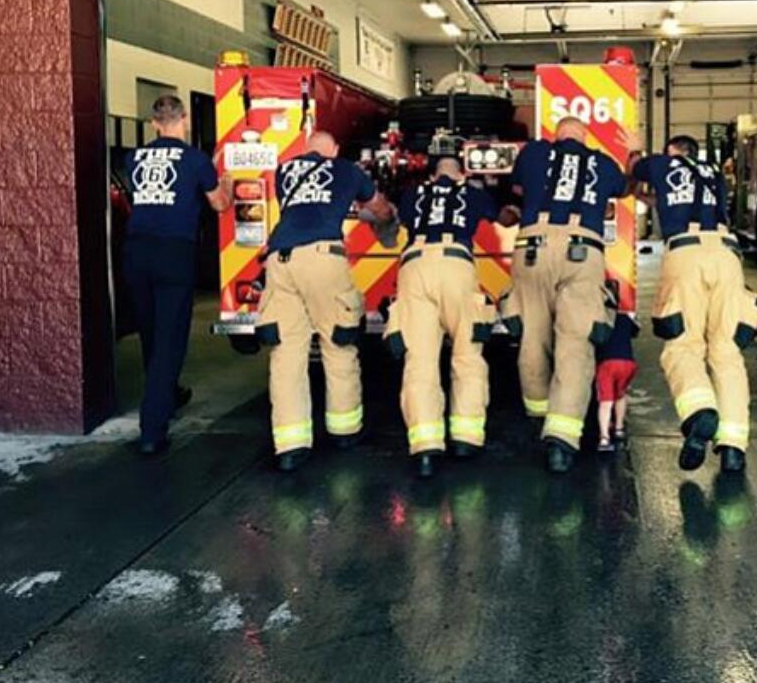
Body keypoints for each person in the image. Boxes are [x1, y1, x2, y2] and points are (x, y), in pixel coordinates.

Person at [504, 116, 636, 474]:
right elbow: (625, 189)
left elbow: (516, 190)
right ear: (584, 137)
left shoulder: (533, 153)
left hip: (532, 248)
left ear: (555, 135)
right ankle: (561, 441)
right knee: (575, 345)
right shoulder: (602, 162)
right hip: (583, 253)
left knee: (533, 338)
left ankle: (538, 415)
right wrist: (632, 151)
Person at [256, 130, 390, 472]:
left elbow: (307, 208)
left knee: (286, 354)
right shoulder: (346, 169)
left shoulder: (284, 172)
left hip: (280, 262)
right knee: (338, 341)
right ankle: (344, 430)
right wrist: (388, 217)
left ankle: (290, 445)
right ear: (336, 149)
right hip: (321, 259)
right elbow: (376, 207)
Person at [631, 134, 757, 474]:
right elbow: (664, 199)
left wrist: (634, 151)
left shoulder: (662, 164)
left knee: (684, 345)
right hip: (726, 254)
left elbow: (634, 169)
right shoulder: (713, 172)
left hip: (686, 254)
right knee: (726, 352)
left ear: (671, 152)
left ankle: (700, 411)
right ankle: (733, 446)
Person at [386, 156, 510, 479]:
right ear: (462, 173)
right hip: (457, 265)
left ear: (431, 174)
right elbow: (505, 218)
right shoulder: (471, 192)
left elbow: (393, 217)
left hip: (414, 267)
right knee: (467, 355)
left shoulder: (414, 193)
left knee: (420, 360)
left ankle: (426, 447)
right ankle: (466, 439)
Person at [123, 94, 233, 455]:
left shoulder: (133, 157)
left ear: (154, 122)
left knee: (152, 332)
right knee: (171, 338)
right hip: (174, 252)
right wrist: (226, 179)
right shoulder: (196, 159)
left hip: (137, 251)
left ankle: (167, 394)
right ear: (183, 119)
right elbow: (219, 203)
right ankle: (152, 429)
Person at [594, 302, 638, 453]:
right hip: (628, 363)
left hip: (607, 364)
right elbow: (634, 331)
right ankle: (619, 429)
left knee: (606, 402)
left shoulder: (599, 317)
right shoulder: (625, 317)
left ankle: (604, 438)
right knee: (620, 395)